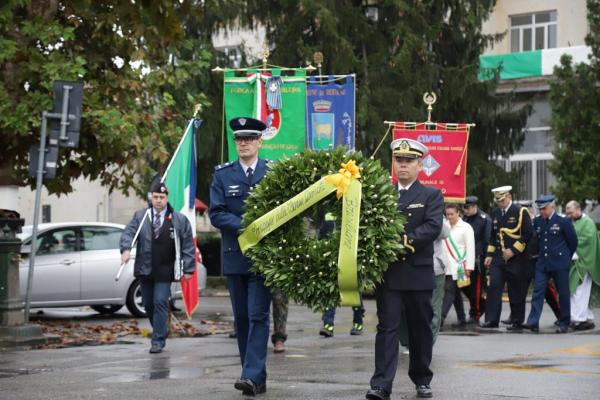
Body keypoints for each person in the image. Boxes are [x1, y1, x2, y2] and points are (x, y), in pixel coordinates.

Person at [366, 138, 443, 400]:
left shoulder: (431, 195)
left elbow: (432, 227)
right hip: (389, 275)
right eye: (399, 160)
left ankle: (421, 378)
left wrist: (399, 243)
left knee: (420, 329)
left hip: (418, 273)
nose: (403, 165)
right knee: (387, 328)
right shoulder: (382, 194)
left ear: (420, 164)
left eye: (409, 161)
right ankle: (381, 384)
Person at [209, 117, 272, 396]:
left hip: (264, 257)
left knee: (258, 315)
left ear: (260, 141)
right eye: (239, 139)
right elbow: (216, 213)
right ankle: (256, 377)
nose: (243, 143)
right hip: (236, 256)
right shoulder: (222, 175)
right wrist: (246, 226)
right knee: (243, 319)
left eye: (249, 139)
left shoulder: (273, 173)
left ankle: (248, 374)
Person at [119, 181, 195, 354]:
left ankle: (158, 340)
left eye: (162, 197)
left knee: (160, 301)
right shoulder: (141, 216)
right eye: (155, 197)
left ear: (167, 198)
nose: (158, 200)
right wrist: (125, 249)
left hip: (165, 269)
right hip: (145, 268)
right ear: (151, 198)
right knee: (148, 304)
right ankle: (162, 328)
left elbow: (188, 245)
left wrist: (189, 269)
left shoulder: (178, 220)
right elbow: (129, 233)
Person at [523, 195, 577, 333]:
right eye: (540, 209)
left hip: (560, 263)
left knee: (563, 293)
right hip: (543, 263)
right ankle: (533, 322)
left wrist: (566, 258)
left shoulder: (563, 221)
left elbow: (573, 242)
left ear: (552, 206)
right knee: (538, 291)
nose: (542, 212)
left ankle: (564, 322)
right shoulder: (538, 221)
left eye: (544, 209)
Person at [481, 186, 532, 332]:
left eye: (502, 200)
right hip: (498, 258)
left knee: (515, 289)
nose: (500, 203)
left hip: (516, 258)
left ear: (509, 196)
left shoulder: (520, 211)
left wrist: (514, 250)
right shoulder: (496, 212)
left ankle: (516, 320)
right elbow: (493, 236)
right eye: (498, 201)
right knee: (494, 287)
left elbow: (528, 234)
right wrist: (489, 255)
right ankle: (491, 320)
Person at [318, 215, 365, 338]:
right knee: (330, 292)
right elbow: (321, 235)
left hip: (351, 259)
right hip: (331, 258)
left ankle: (358, 322)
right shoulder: (328, 214)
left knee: (355, 291)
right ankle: (328, 325)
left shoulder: (353, 207)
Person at [565, 200, 600, 331]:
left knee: (579, 292)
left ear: (578, 209)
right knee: (578, 292)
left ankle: (579, 320)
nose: (569, 215)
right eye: (567, 213)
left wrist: (571, 246)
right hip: (575, 262)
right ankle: (585, 318)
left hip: (584, 263)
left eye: (571, 213)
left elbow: (587, 241)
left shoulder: (588, 223)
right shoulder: (572, 221)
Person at [441, 203, 476, 327]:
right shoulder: (443, 226)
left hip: (459, 266)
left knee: (449, 291)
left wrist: (469, 267)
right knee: (455, 293)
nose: (449, 217)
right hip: (445, 266)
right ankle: (462, 318)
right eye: (447, 214)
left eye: (452, 214)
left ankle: (440, 318)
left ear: (458, 213)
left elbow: (471, 248)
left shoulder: (466, 227)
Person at [462, 195, 492, 322]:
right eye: (465, 208)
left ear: (475, 206)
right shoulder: (465, 218)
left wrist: (485, 257)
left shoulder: (484, 219)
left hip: (477, 257)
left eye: (468, 208)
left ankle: (476, 312)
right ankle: (481, 304)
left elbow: (486, 240)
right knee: (463, 285)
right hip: (464, 257)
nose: (466, 211)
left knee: (476, 288)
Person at [431, 217, 450, 342]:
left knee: (433, 307)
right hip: (410, 267)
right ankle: (407, 341)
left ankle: (429, 340)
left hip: (435, 267)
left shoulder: (435, 211)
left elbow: (444, 233)